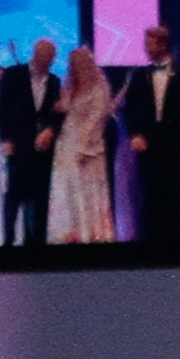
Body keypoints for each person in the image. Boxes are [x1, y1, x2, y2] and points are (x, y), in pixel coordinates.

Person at [121, 22, 180, 240]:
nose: (146, 48)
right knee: (149, 194)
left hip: (175, 143)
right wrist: (135, 134)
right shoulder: (140, 75)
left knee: (176, 195)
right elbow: (129, 108)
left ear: (163, 45)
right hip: (148, 143)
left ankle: (176, 243)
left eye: (150, 43)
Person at [0, 34, 65, 247]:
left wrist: (51, 130)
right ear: (36, 53)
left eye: (53, 57)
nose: (51, 61)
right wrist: (5, 139)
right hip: (18, 144)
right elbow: (2, 110)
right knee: (14, 197)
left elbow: (56, 113)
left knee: (41, 197)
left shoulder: (54, 81)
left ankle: (37, 243)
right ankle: (8, 241)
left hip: (43, 148)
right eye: (48, 56)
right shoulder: (14, 75)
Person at [50, 49, 120, 245]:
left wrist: (84, 147)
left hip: (87, 148)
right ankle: (69, 233)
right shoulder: (72, 86)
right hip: (66, 144)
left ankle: (90, 233)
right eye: (73, 63)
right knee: (67, 187)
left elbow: (96, 118)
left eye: (79, 62)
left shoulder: (99, 87)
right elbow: (66, 106)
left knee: (86, 188)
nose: (76, 67)